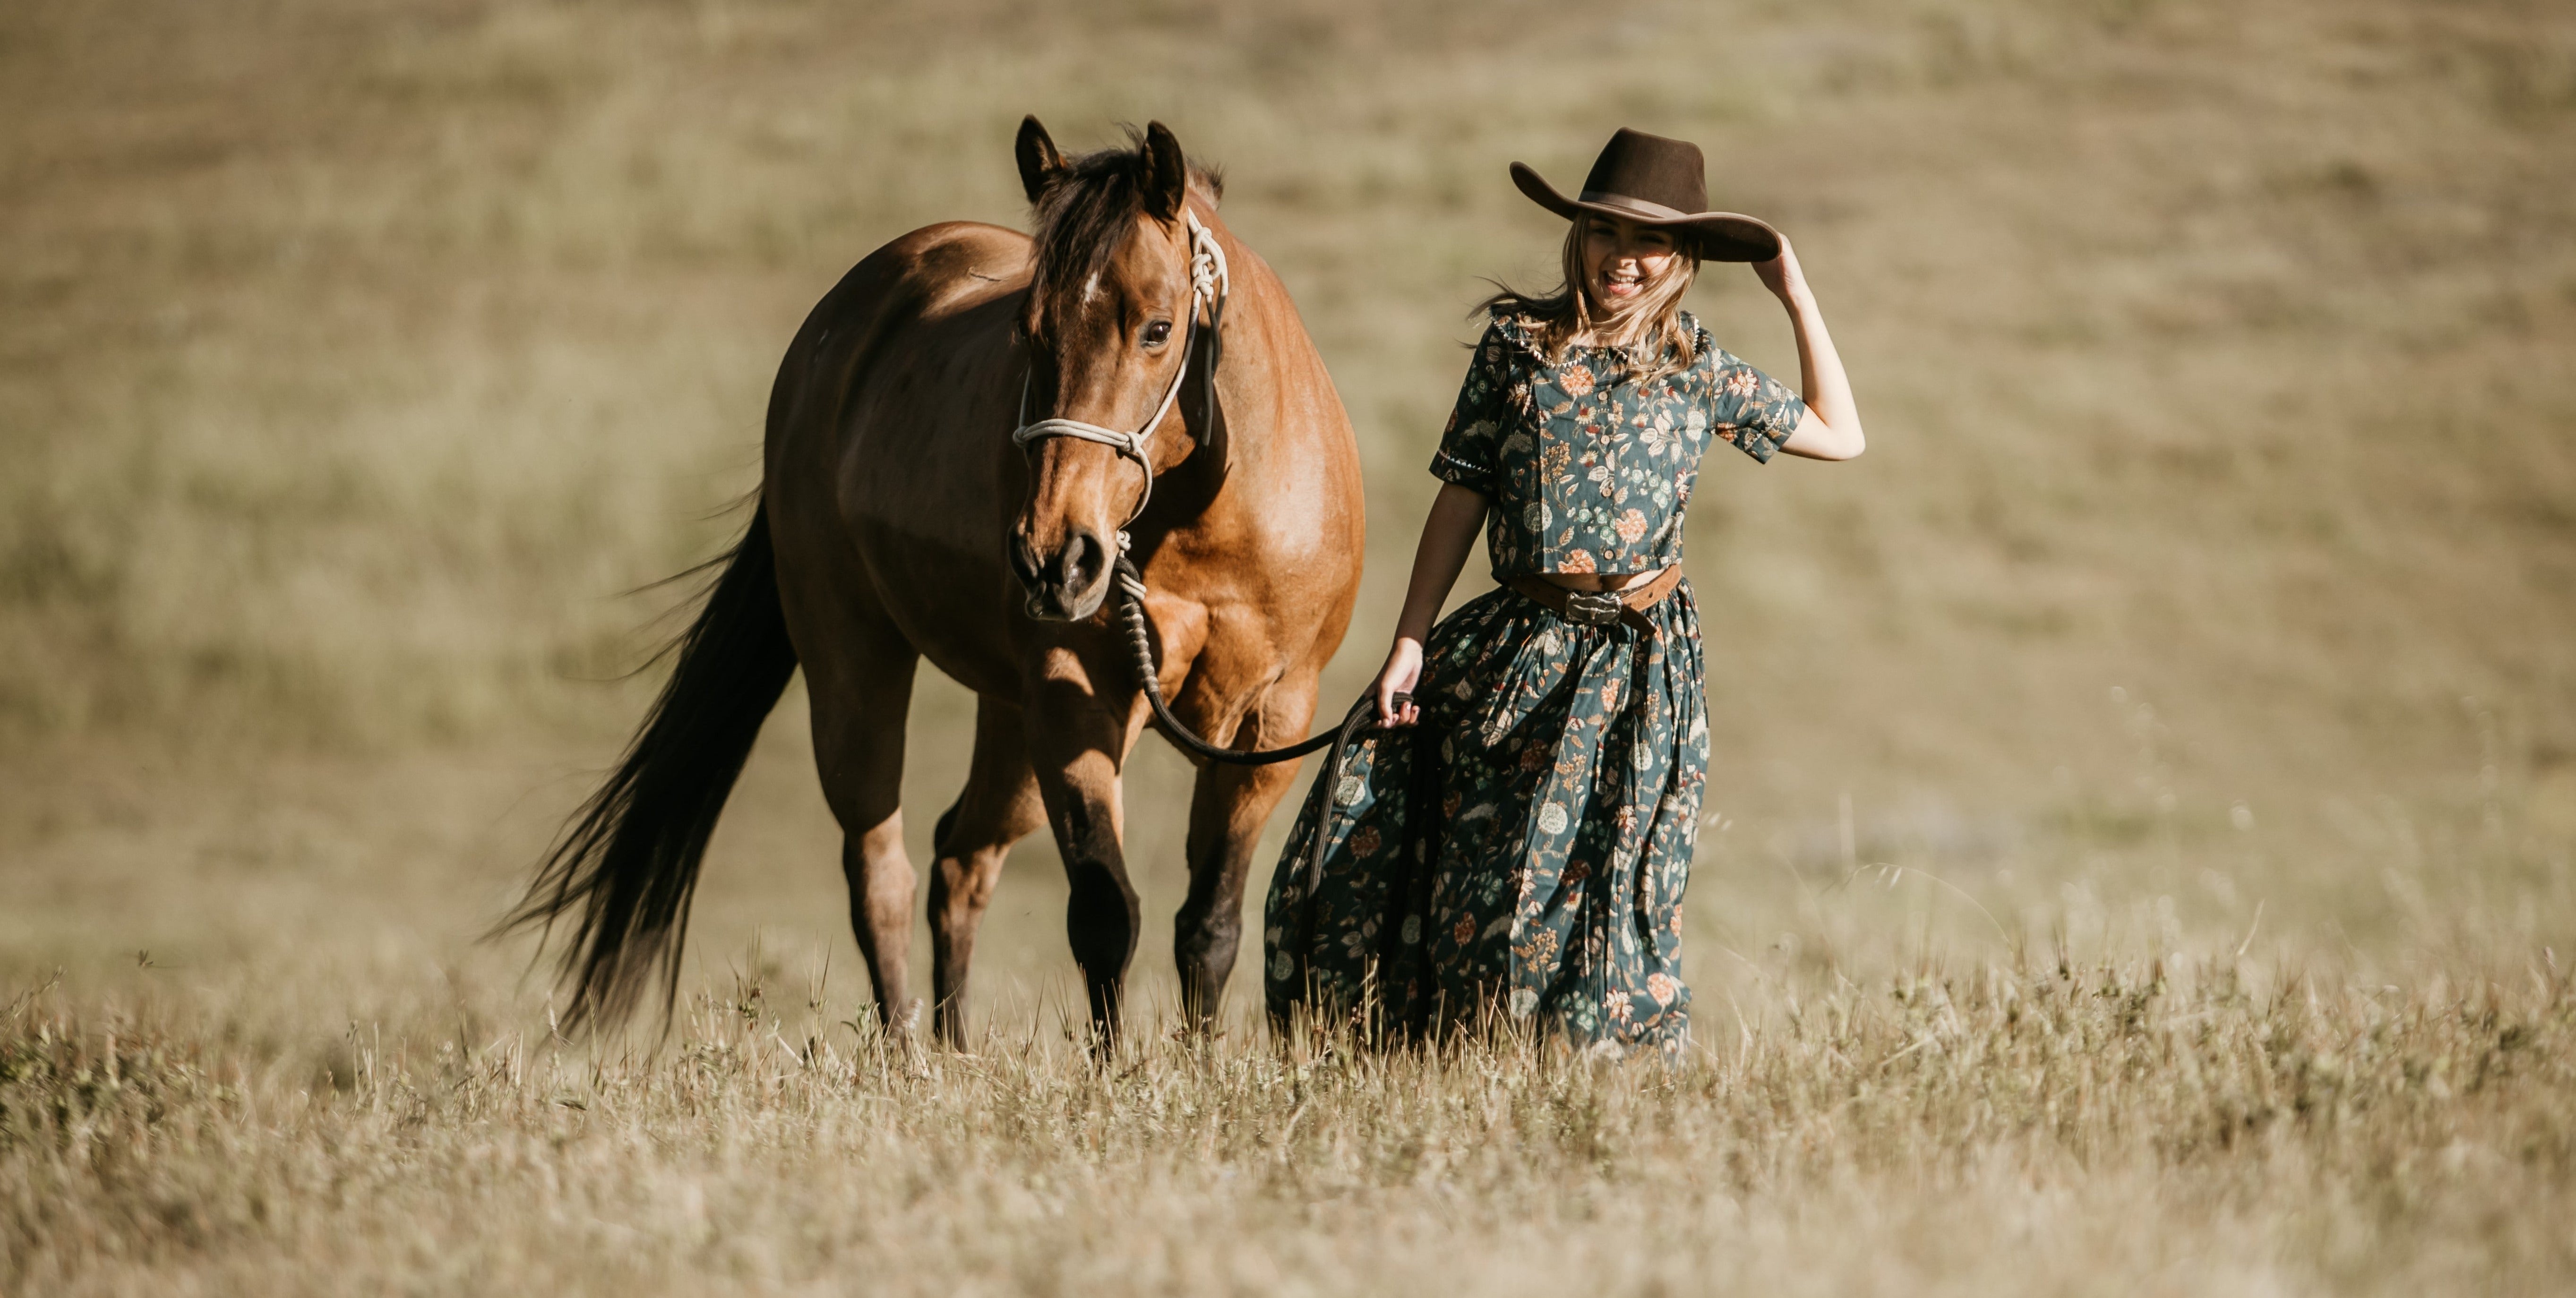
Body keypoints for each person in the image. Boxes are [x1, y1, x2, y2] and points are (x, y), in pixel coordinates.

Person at [1262, 128, 1866, 1052]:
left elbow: (1840, 435)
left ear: (1682, 257)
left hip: (1645, 664)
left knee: (1623, 882)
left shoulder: (1697, 365)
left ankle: (1604, 1070)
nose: (1622, 257)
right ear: (1577, 235)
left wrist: (1794, 293)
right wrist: (1409, 641)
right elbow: (1461, 497)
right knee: (1495, 879)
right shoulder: (1516, 347)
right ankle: (1458, 1056)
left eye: (1648, 240)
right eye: (1604, 232)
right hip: (1525, 651)